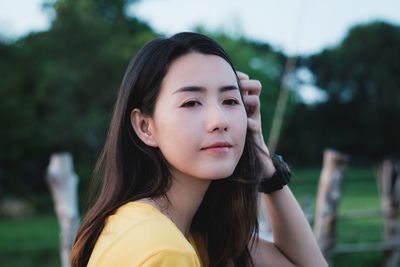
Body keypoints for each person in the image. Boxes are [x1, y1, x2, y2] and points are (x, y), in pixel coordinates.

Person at [70, 32, 327, 267]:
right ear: (145, 126)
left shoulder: (184, 233)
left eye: (230, 101)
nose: (220, 121)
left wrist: (260, 154)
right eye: (191, 103)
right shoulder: (165, 251)